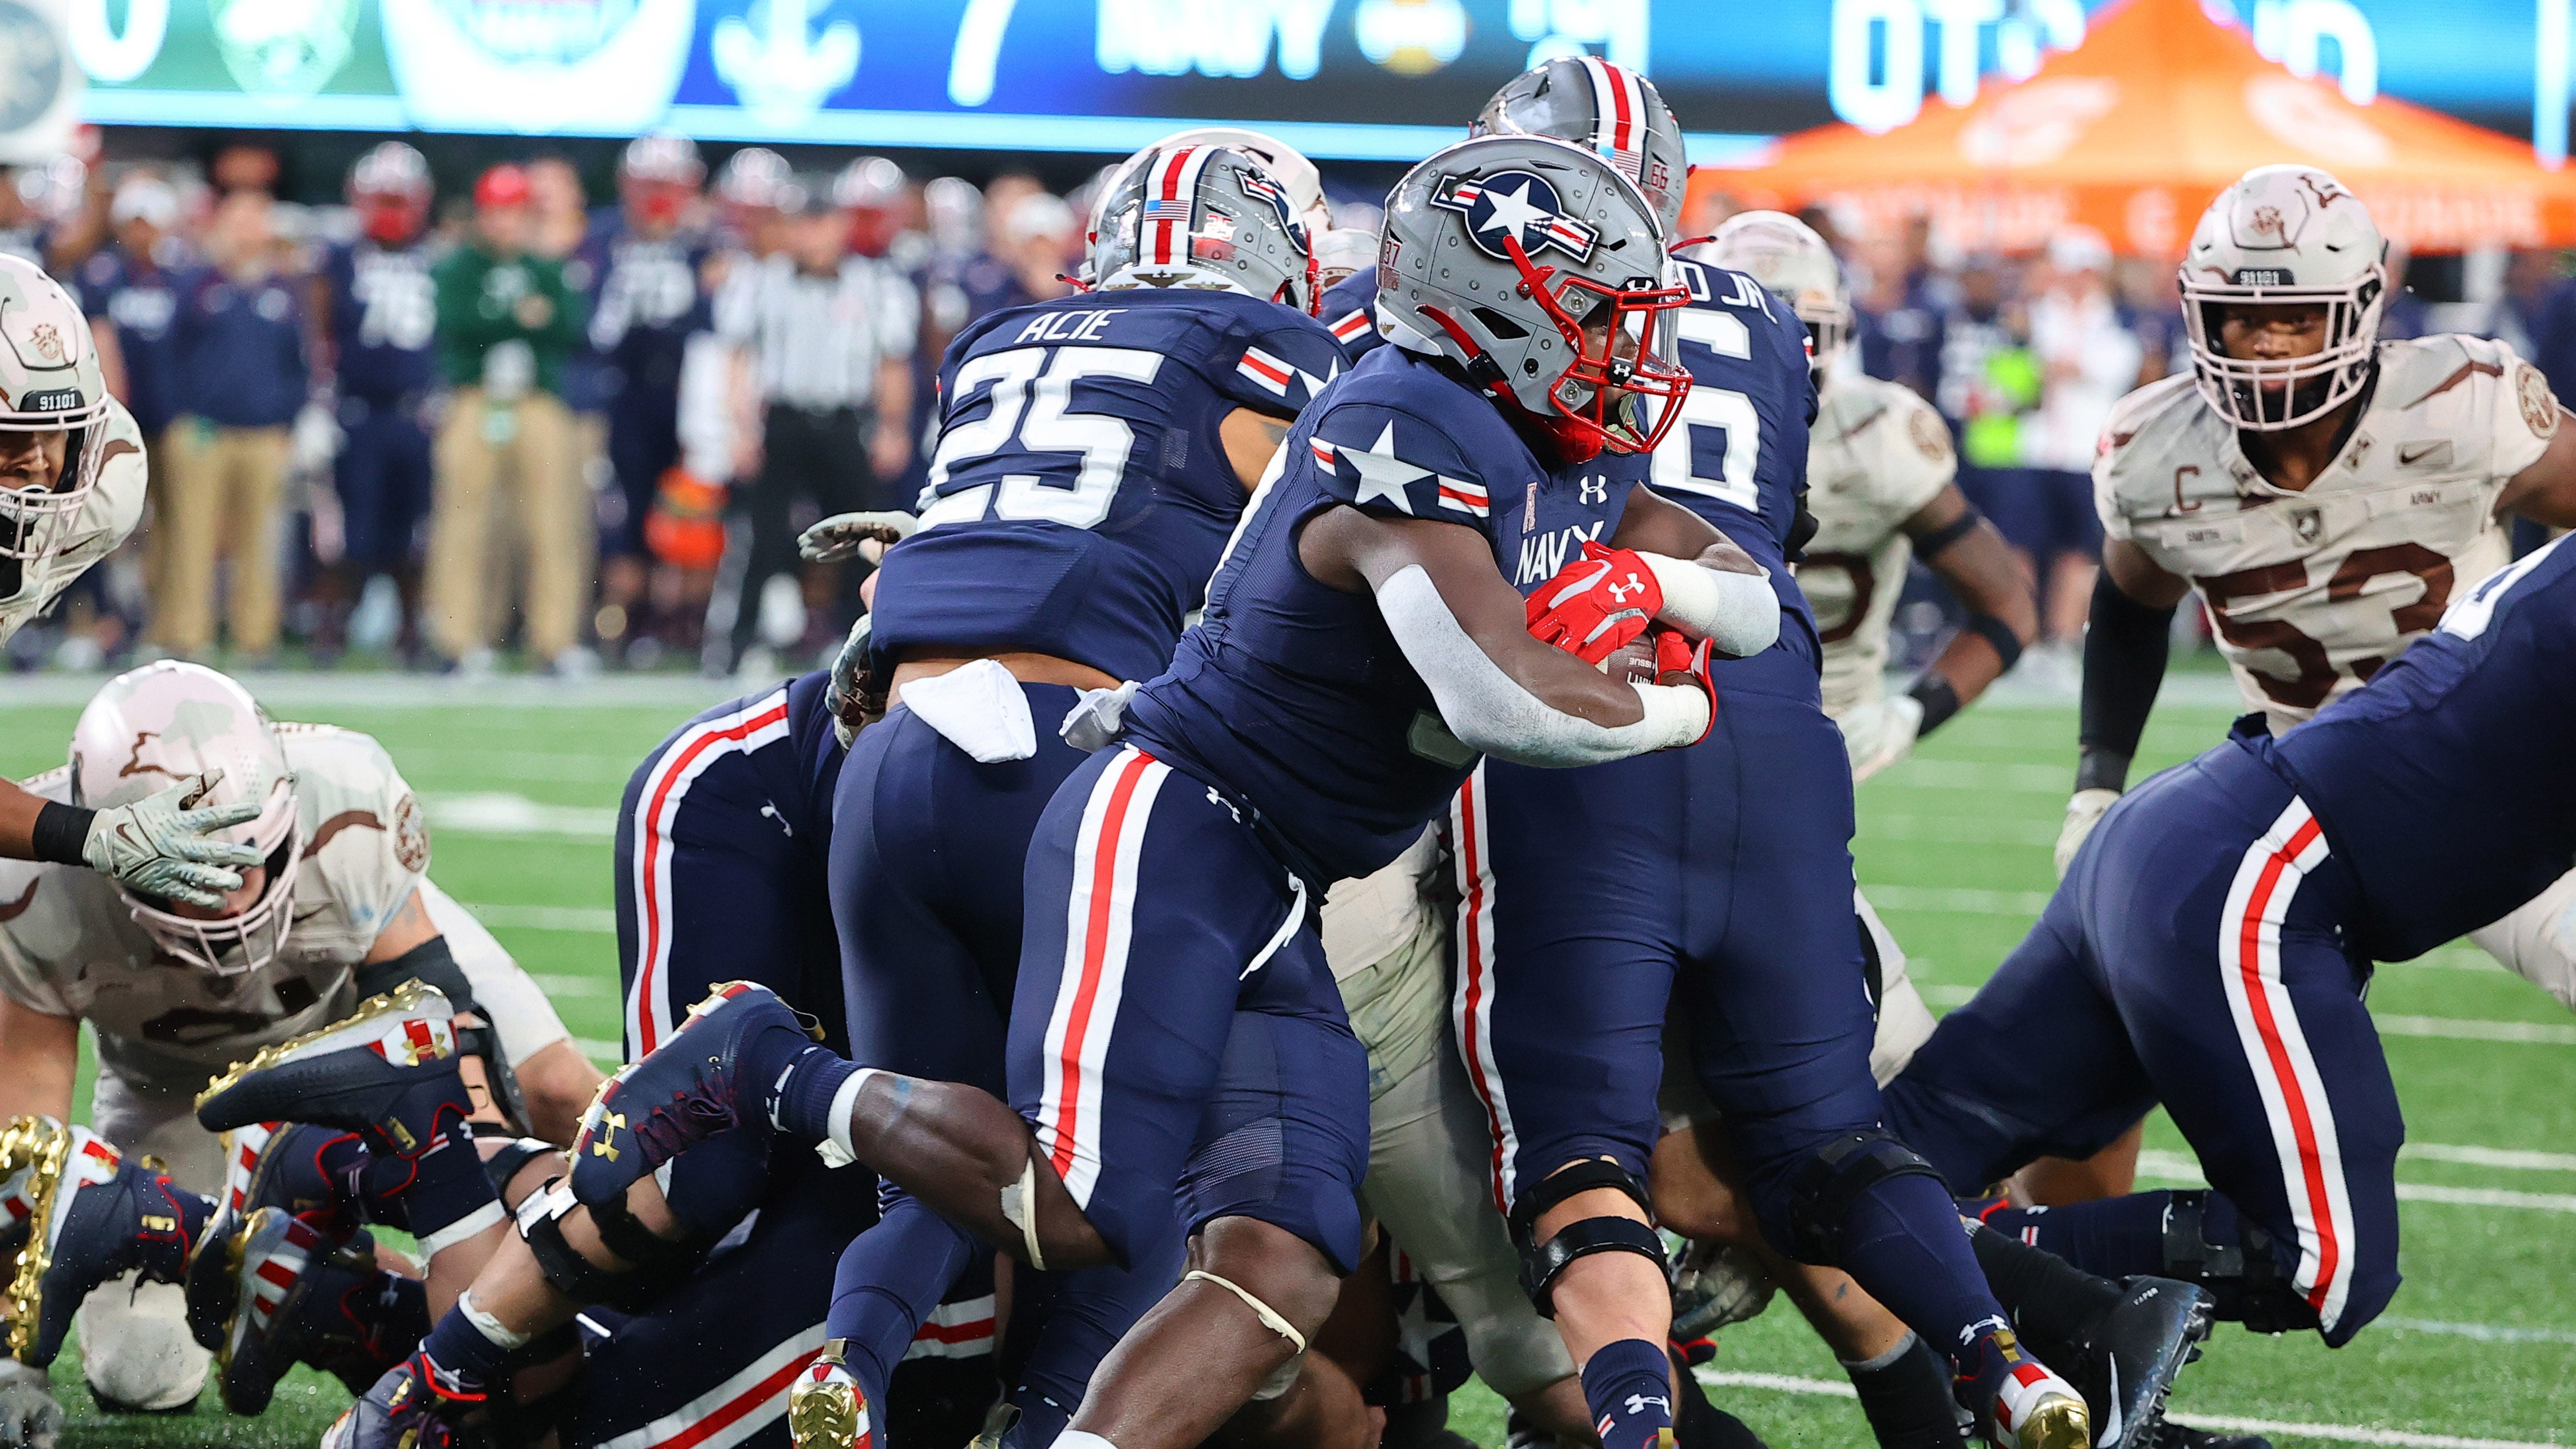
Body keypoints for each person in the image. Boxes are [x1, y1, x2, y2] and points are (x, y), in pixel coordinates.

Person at [557, 133, 1779, 1449]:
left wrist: (1658, 584)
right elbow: (1493, 685)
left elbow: (1730, 580)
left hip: (1057, 788)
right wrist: (1681, 697)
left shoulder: (1020, 343)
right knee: (1101, 1210)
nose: (1625, 348)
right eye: (1596, 311)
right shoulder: (1364, 400)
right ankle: (775, 1074)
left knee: (1283, 1233)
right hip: (1137, 801)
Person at [1886, 528, 2576, 1352]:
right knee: (2326, 1262)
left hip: (2192, 836)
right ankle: (1969, 1254)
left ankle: (1789, 1225)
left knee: (1891, 1156)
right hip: (2261, 877)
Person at [0, 660, 596, 1419]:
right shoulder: (36, 890)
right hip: (175, 1085)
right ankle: (354, 1280)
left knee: (556, 1097)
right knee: (139, 1369)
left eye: (249, 855)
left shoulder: (347, 801)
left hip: (351, 995)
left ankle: (661, 1278)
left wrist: (478, 1181)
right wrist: (13, 1366)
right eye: (185, 865)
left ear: (285, 809)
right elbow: (27, 1154)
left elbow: (436, 1040)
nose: (228, 893)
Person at [2056, 166, 2576, 1015]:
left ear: (2361, 307)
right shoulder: (2153, 450)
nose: (2263, 343)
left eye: (2294, 318)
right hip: (2302, 798)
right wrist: (2096, 785)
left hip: (2483, 772)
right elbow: (2129, 608)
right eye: (2242, 318)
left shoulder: (2459, 404)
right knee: (2128, 996)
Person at [711, 176, 916, 676]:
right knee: (762, 536)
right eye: (804, 224)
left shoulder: (875, 283)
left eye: (823, 224)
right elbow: (739, 357)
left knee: (855, 534)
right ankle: (740, 644)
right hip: (782, 419)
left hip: (845, 420)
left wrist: (892, 426)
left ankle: (853, 638)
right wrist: (740, 428)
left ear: (841, 227)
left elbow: (891, 361)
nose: (813, 237)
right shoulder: (762, 279)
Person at [422, 163, 590, 675]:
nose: (504, 223)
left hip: (536, 399)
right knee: (463, 521)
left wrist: (506, 320)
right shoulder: (458, 267)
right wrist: (518, 317)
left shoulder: (547, 268)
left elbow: (569, 324)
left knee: (552, 522)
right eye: (496, 212)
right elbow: (457, 321)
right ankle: (455, 639)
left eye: (514, 212)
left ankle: (555, 641)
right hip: (476, 398)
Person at [157, 188, 308, 663]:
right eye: (237, 220)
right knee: (191, 538)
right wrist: (180, 415)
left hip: (263, 433)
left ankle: (255, 638)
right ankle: (188, 636)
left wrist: (290, 421)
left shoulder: (284, 292)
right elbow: (170, 356)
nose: (245, 230)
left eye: (254, 220)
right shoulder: (197, 285)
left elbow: (300, 364)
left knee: (260, 542)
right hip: (204, 431)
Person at [581, 134, 715, 663]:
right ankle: (621, 626)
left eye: (669, 185)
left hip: (689, 394)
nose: (659, 197)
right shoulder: (604, 240)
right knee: (625, 513)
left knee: (689, 510)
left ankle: (679, 625)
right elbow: (593, 328)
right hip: (624, 395)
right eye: (650, 185)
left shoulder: (708, 242)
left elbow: (716, 325)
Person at [315, 141, 441, 662]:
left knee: (412, 529)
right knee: (352, 531)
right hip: (357, 410)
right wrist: (318, 401)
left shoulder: (437, 257)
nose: (390, 212)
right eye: (382, 199)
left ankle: (410, 634)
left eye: (399, 200)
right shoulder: (338, 259)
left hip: (416, 411)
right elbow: (319, 333)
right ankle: (332, 632)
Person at [2017, 229, 2142, 658]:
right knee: (2023, 546)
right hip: (2031, 447)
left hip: (2084, 450)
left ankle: (2062, 637)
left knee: (2078, 550)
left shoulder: (2115, 319)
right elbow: (2019, 369)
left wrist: (2060, 367)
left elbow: (2114, 369)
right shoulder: (2034, 313)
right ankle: (2023, 636)